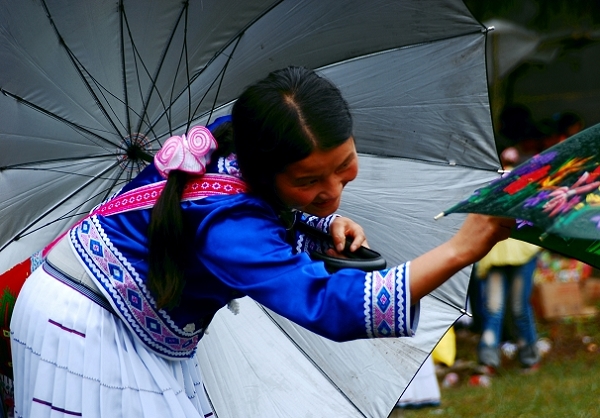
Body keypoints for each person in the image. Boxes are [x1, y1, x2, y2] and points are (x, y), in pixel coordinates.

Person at [10, 66, 512, 417]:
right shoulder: (228, 225)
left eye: (343, 166)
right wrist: (461, 249)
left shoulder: (237, 136)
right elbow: (330, 305)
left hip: (113, 307)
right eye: (310, 180)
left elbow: (270, 209)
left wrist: (318, 223)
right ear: (263, 170)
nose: (333, 191)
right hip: (86, 323)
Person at [473, 146, 541, 376]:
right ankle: (490, 360)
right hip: (496, 254)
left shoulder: (523, 179)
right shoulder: (485, 181)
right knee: (495, 308)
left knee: (516, 307)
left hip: (520, 251)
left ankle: (528, 358)